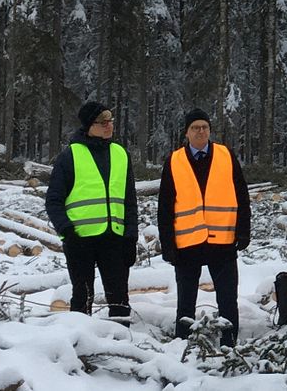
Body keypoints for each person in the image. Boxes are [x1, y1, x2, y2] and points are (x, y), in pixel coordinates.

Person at [157, 108, 251, 347]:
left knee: (228, 299)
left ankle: (229, 345)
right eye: (195, 128)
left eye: (204, 127)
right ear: (186, 133)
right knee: (186, 302)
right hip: (187, 244)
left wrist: (243, 230)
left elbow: (242, 195)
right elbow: (165, 206)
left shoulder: (226, 155)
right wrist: (167, 244)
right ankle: (183, 345)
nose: (201, 131)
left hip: (223, 241)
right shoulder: (175, 160)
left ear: (210, 130)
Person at [46, 101, 138, 325]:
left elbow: (129, 202)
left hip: (114, 239)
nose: (109, 126)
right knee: (82, 297)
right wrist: (67, 231)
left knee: (119, 299)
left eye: (111, 121)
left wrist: (131, 235)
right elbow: (53, 200)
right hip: (80, 240)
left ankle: (120, 346)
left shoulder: (121, 154)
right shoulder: (70, 155)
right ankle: (81, 345)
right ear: (89, 125)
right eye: (102, 122)